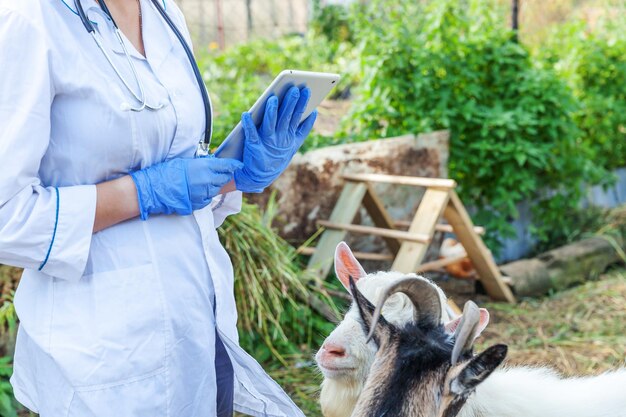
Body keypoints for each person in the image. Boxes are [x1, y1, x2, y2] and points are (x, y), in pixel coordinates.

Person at [0, 0, 316, 415]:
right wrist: (142, 193)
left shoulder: (163, 12)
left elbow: (173, 162)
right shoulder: (29, 18)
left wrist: (234, 175)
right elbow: (7, 218)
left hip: (202, 324)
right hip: (103, 359)